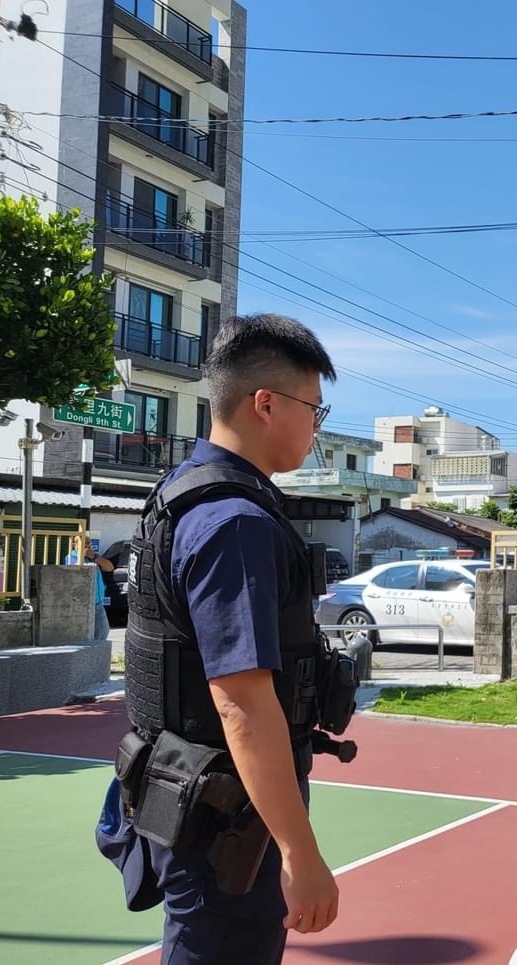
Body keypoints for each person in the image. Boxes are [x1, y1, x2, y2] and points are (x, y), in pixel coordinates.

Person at [98, 313, 343, 963]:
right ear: (266, 403)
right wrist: (301, 850)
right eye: (313, 409)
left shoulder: (189, 494)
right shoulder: (234, 521)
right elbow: (242, 699)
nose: (316, 427)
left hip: (193, 791)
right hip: (227, 818)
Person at [65, 535, 113, 639]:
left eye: (89, 543)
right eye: (84, 543)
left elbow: (110, 567)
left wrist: (94, 557)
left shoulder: (93, 557)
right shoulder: (71, 558)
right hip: (84, 603)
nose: (87, 546)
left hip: (98, 603)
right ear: (74, 544)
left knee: (103, 632)